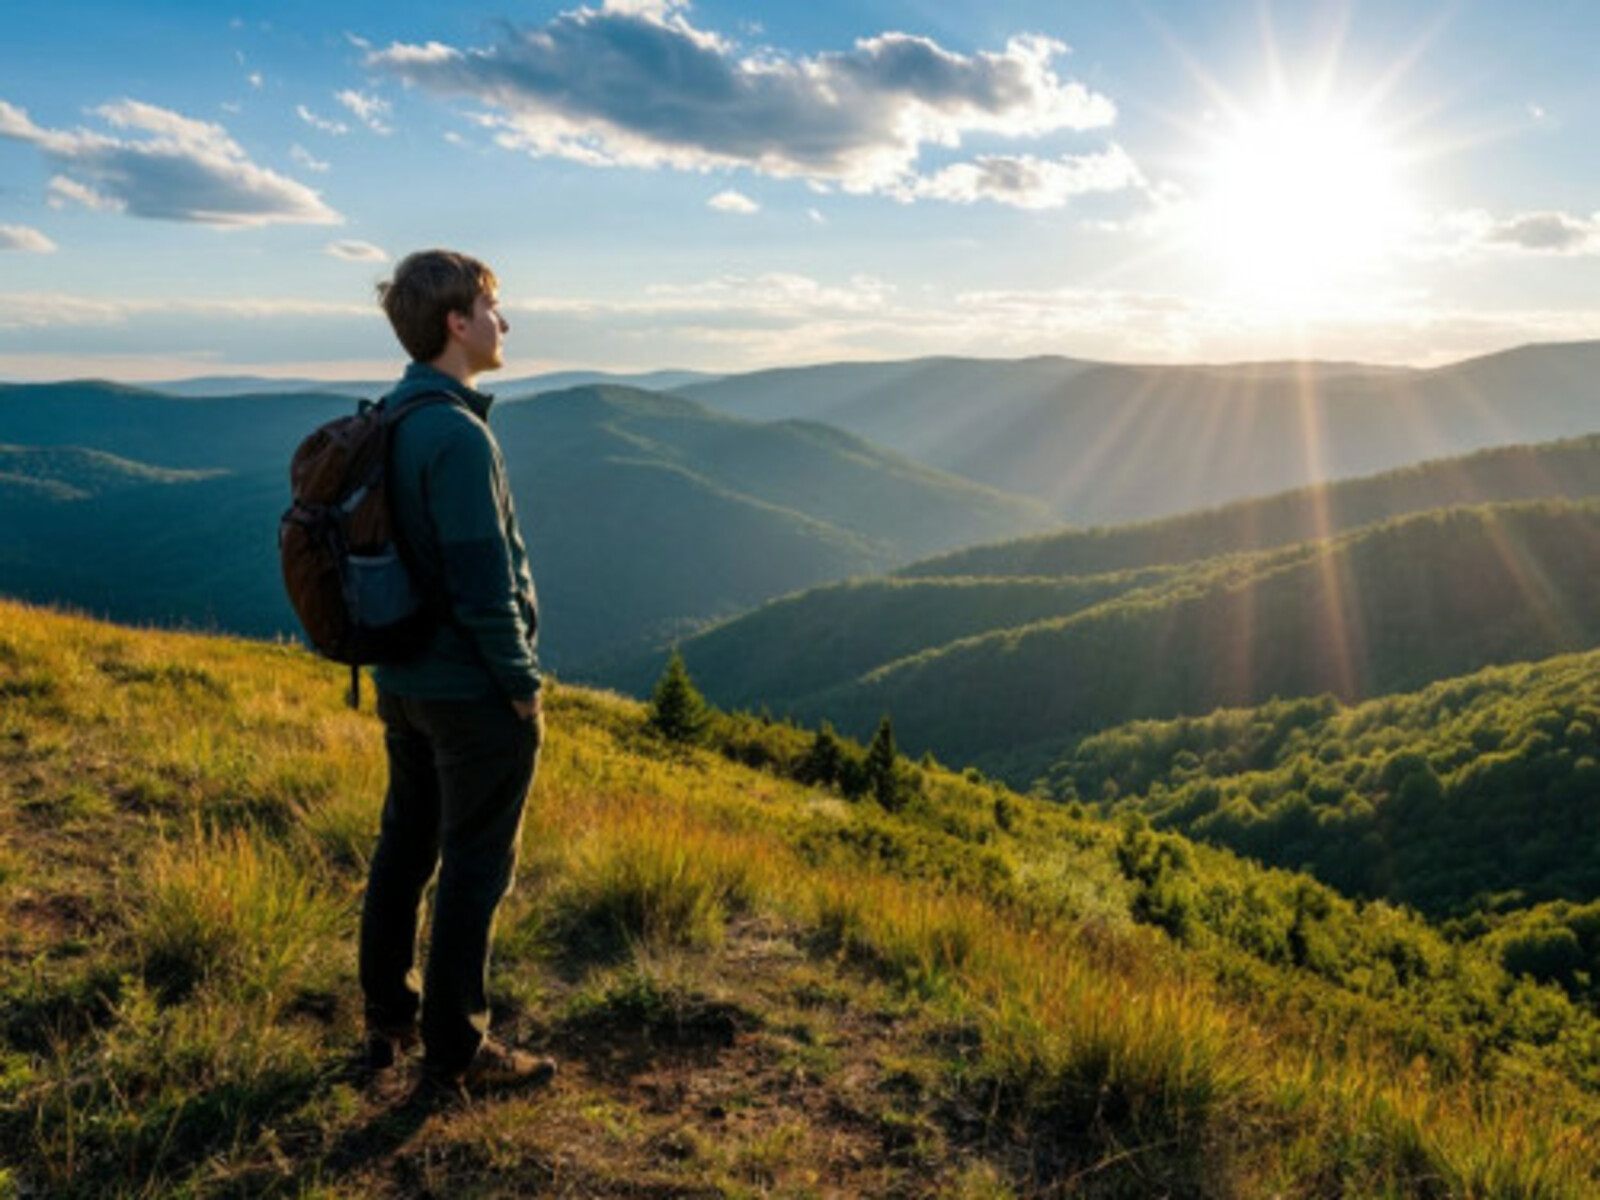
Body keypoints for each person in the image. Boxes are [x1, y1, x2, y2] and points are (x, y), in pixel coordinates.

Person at [358, 248, 552, 1099]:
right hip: (470, 694)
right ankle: (455, 1049)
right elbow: (485, 582)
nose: (504, 324)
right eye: (492, 308)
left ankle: (387, 1017)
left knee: (404, 849)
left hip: (402, 683)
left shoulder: (394, 416)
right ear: (456, 324)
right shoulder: (458, 436)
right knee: (475, 868)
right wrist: (522, 685)